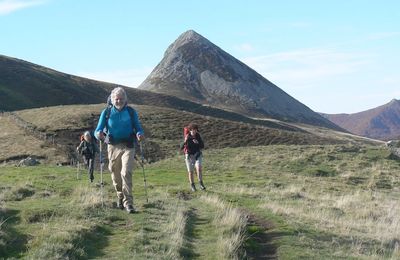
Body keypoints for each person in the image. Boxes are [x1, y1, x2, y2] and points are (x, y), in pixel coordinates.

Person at [95, 87, 144, 214]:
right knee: (115, 175)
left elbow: (138, 127)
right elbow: (97, 130)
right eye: (116, 99)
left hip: (128, 145)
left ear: (125, 99)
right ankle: (120, 196)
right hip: (113, 146)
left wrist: (139, 133)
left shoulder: (131, 112)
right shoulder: (106, 112)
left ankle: (129, 203)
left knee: (126, 172)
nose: (119, 101)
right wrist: (99, 134)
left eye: (121, 99)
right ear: (112, 100)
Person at [182, 123, 206, 192]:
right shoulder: (187, 137)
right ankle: (192, 186)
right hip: (189, 156)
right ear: (190, 130)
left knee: (199, 168)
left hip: (197, 155)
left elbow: (202, 146)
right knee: (190, 172)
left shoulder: (198, 136)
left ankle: (201, 184)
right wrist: (185, 141)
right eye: (193, 130)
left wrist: (197, 142)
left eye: (195, 130)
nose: (194, 132)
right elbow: (181, 147)